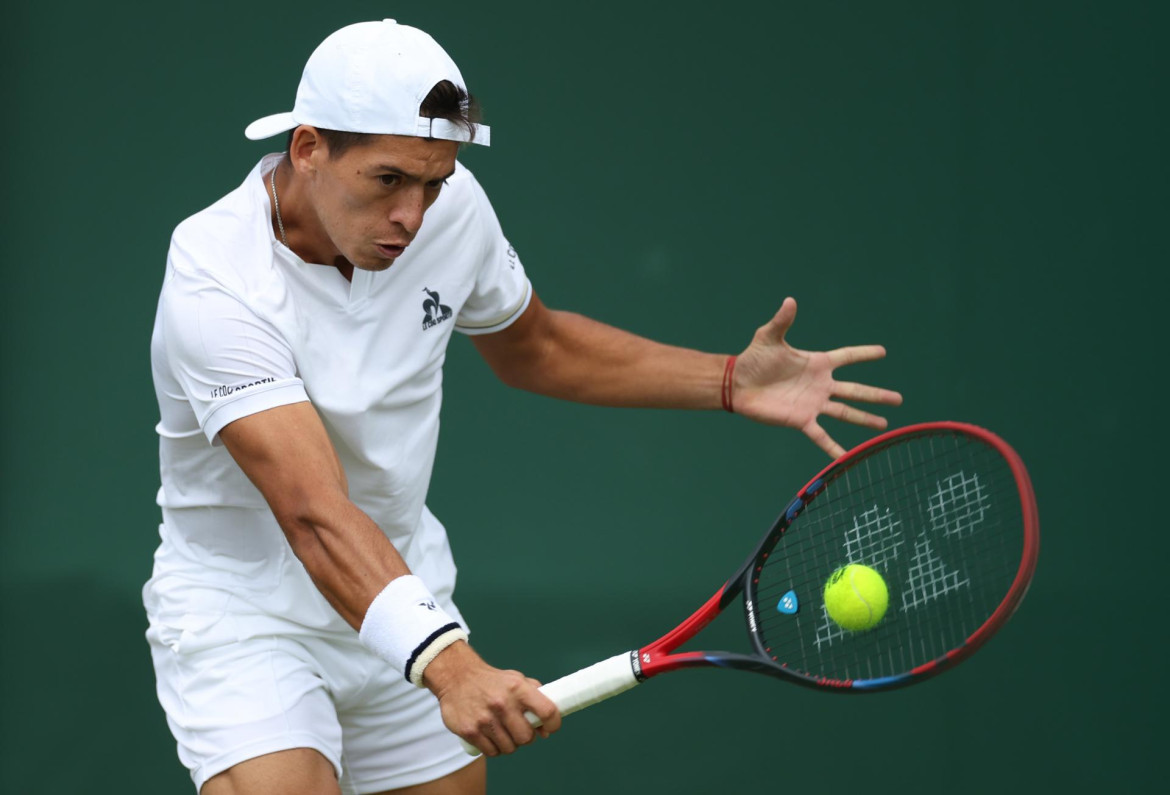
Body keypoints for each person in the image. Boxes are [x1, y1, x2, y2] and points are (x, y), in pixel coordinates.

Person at [143, 19, 902, 795]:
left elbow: (536, 346)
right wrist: (451, 665)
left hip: (402, 587)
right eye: (388, 180)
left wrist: (730, 380)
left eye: (434, 181)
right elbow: (313, 513)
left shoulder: (450, 211)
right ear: (308, 149)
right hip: (249, 619)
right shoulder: (217, 279)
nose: (414, 212)